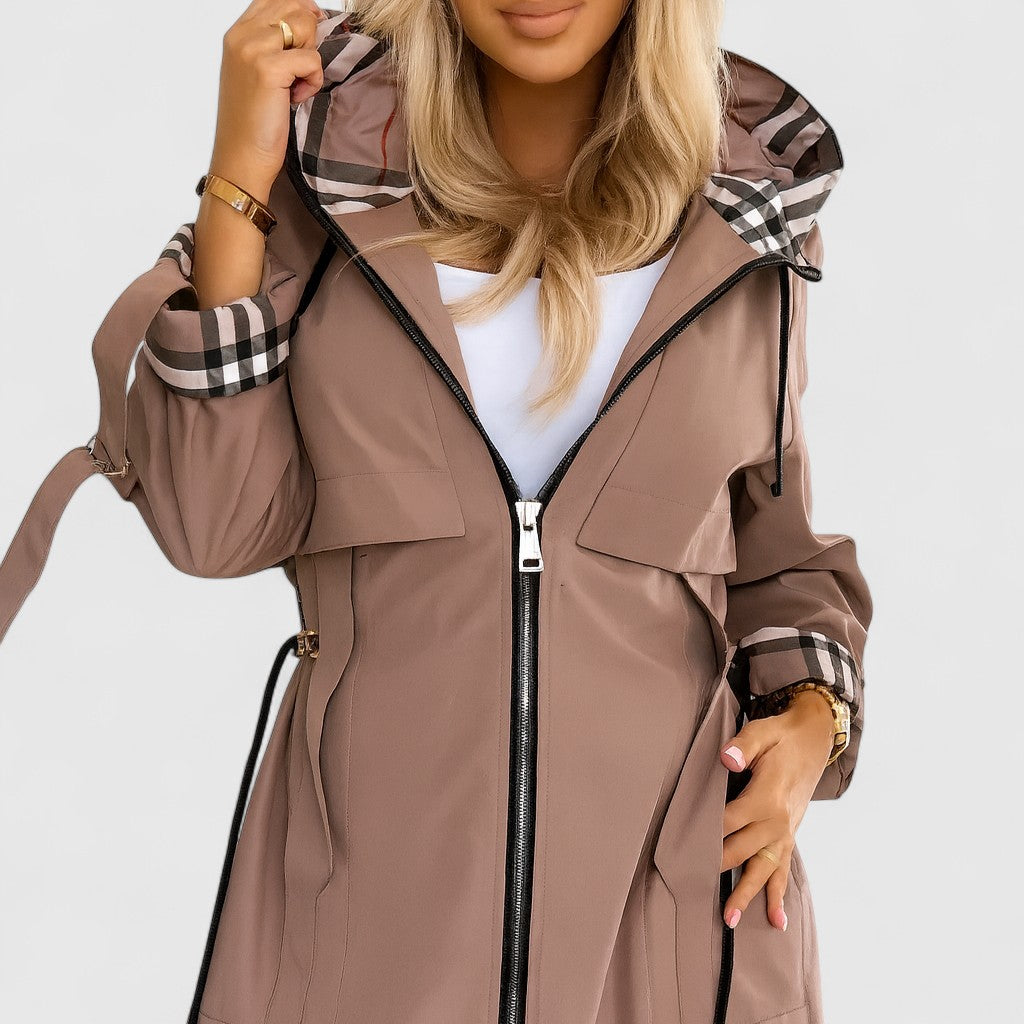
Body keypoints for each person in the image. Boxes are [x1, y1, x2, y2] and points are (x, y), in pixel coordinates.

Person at [0, 2, 872, 1022]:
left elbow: (777, 557)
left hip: (669, 925)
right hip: (365, 921)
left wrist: (811, 719)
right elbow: (215, 525)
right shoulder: (329, 191)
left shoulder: (743, 214)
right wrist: (239, 178)